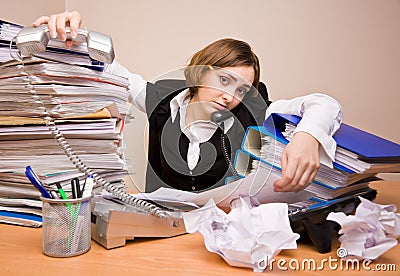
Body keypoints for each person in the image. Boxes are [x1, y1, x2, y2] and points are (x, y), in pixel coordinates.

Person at [33, 11, 342, 193]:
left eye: (242, 90)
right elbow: (108, 71)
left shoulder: (253, 114)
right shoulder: (159, 99)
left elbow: (325, 104)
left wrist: (307, 136)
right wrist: (67, 37)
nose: (230, 96)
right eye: (223, 80)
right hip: (157, 237)